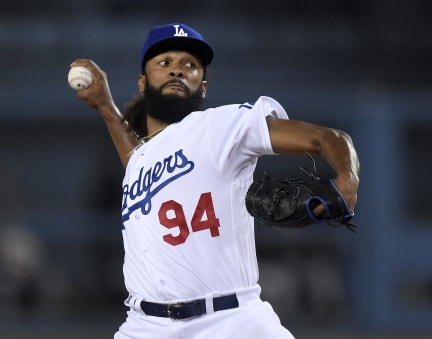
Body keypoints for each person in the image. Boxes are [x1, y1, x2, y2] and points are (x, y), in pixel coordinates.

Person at [71, 22, 359, 339]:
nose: (177, 71)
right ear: (143, 82)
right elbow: (140, 158)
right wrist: (105, 107)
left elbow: (327, 138)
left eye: (189, 65)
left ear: (203, 85)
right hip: (144, 325)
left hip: (231, 321)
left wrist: (348, 178)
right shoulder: (142, 160)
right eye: (164, 62)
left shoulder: (222, 126)